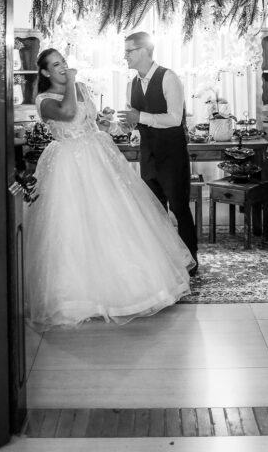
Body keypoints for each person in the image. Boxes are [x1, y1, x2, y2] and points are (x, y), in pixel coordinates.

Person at [24, 47, 194, 331]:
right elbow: (67, 113)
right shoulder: (44, 100)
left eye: (63, 61)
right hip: (68, 163)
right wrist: (72, 82)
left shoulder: (80, 88)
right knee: (74, 224)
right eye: (55, 65)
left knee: (115, 218)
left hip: (98, 155)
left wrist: (103, 123)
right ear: (44, 72)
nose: (63, 67)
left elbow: (91, 123)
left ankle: (136, 289)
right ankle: (78, 297)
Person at [117, 32, 198, 274]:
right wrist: (119, 124)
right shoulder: (131, 85)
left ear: (144, 50)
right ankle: (165, 263)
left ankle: (191, 261)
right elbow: (133, 124)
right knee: (155, 211)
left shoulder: (168, 78)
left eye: (129, 51)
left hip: (172, 156)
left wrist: (139, 117)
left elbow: (174, 118)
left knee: (179, 208)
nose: (125, 56)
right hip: (148, 156)